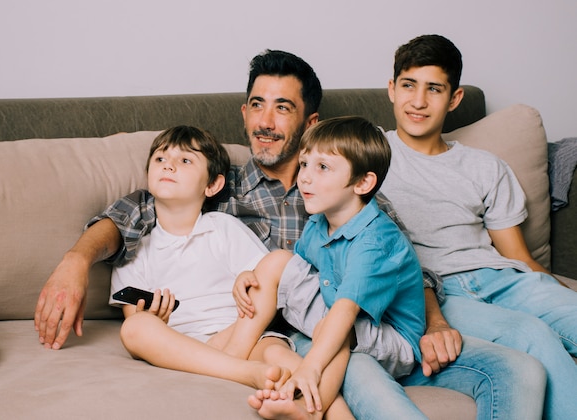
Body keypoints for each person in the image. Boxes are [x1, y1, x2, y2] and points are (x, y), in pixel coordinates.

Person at [35, 49, 546, 419]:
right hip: (293, 330)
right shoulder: (219, 184)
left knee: (523, 363)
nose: (265, 120)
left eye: (283, 108)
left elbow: (404, 261)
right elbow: (136, 211)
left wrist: (434, 321)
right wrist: (77, 260)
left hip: (351, 323)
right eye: (257, 105)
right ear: (244, 113)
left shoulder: (351, 190)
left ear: (310, 121)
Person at [380, 33, 577, 419]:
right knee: (533, 338)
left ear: (453, 99)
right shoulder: (369, 154)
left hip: (502, 277)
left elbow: (518, 255)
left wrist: (554, 294)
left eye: (433, 89)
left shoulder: (485, 166)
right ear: (392, 89)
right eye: (408, 85)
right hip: (441, 292)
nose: (418, 101)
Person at [110, 125, 351, 419]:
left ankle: (329, 412)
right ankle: (245, 372)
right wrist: (153, 318)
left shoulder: (222, 227)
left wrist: (244, 278)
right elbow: (134, 322)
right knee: (135, 329)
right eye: (160, 159)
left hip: (242, 334)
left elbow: (265, 280)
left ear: (212, 185)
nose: (169, 165)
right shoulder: (135, 249)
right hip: (187, 345)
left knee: (281, 357)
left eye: (185, 161)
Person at [244, 116, 425, 417]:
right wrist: (253, 274)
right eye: (304, 164)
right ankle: (236, 349)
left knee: (333, 326)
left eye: (323, 167)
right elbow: (297, 270)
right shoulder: (319, 222)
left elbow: (345, 311)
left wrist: (311, 365)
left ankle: (311, 408)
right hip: (336, 308)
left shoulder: (376, 240)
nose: (304, 178)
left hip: (394, 338)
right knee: (277, 260)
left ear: (363, 182)